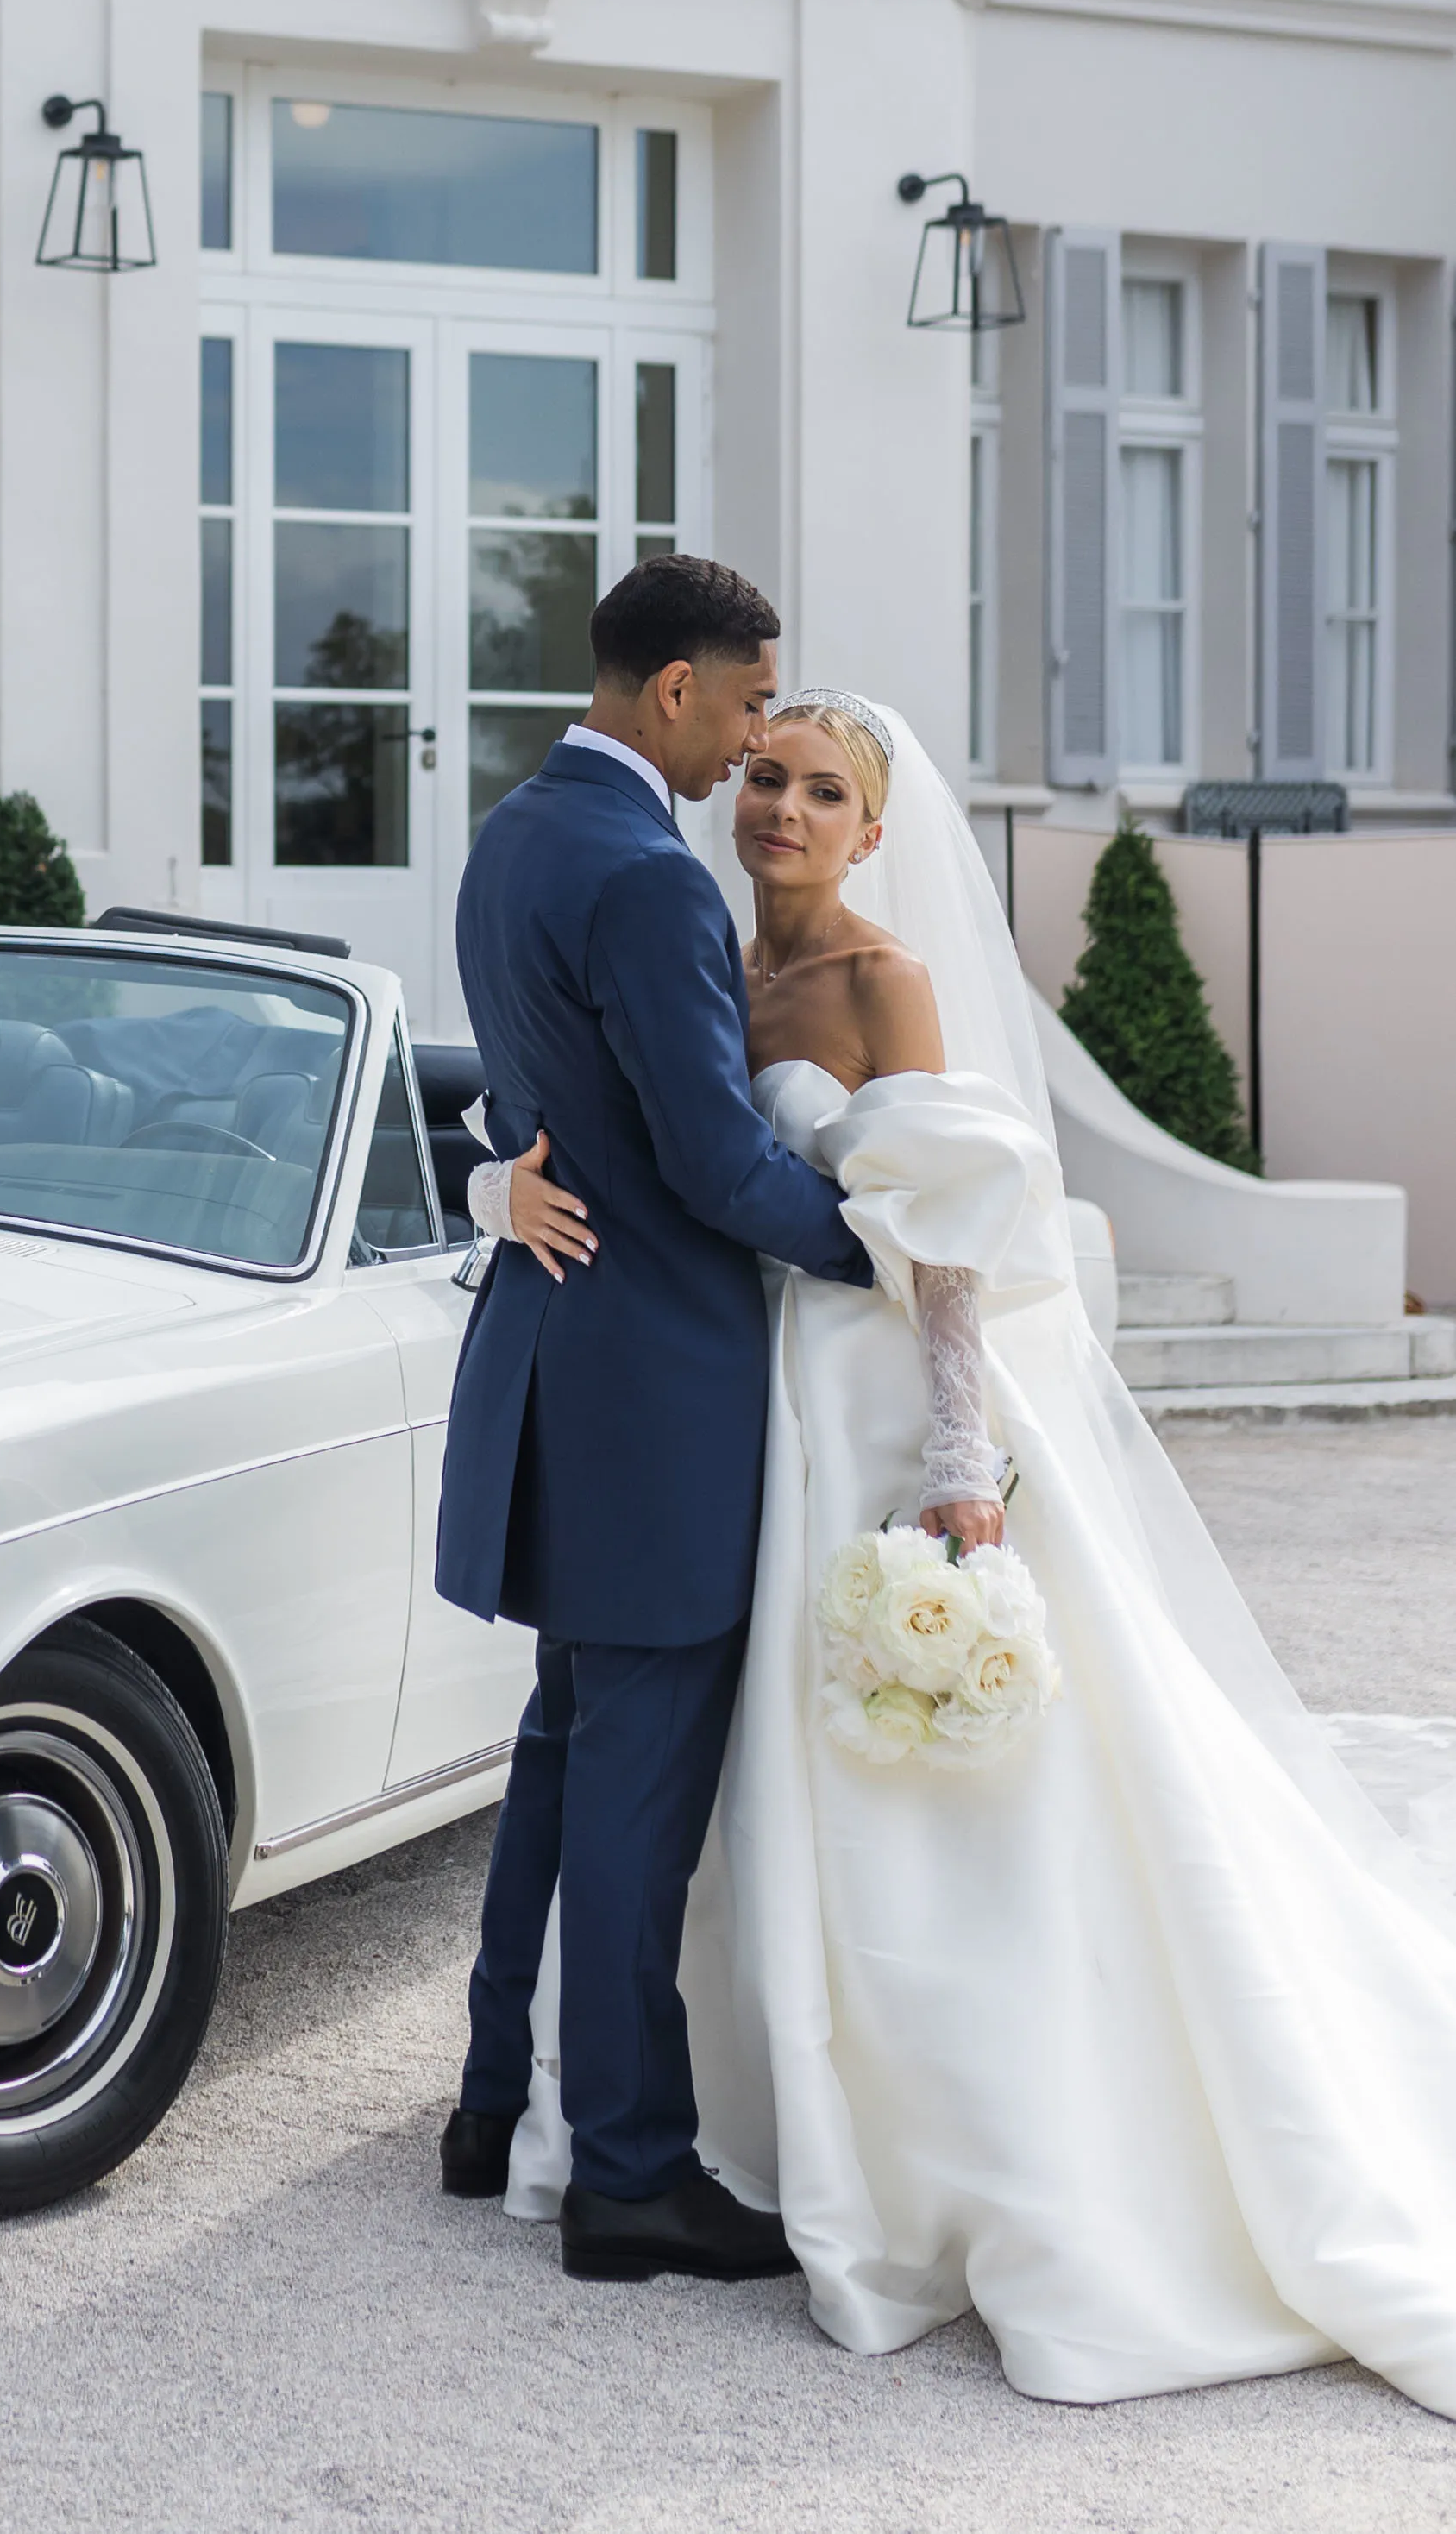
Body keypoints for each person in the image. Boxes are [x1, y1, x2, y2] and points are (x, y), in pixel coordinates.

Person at [520, 684, 1456, 2412]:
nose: (783, 808)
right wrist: (503, 1180)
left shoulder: (883, 977)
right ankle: (740, 2097)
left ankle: (963, 2133)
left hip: (874, 1391)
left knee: (934, 1791)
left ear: (875, 830)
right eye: (767, 778)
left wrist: (962, 1452)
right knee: (750, 1761)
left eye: (824, 791)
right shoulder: (700, 953)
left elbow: (944, 1233)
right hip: (749, 1399)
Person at [433, 556, 875, 2286]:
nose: (755, 743)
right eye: (750, 705)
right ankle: (625, 2171)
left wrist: (499, 1176)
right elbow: (712, 1160)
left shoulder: (511, 832)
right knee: (631, 1792)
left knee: (560, 1755)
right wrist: (892, 1246)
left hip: (558, 1363)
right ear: (676, 689)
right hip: (653, 1392)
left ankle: (495, 2103)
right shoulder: (646, 874)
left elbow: (528, 1096)